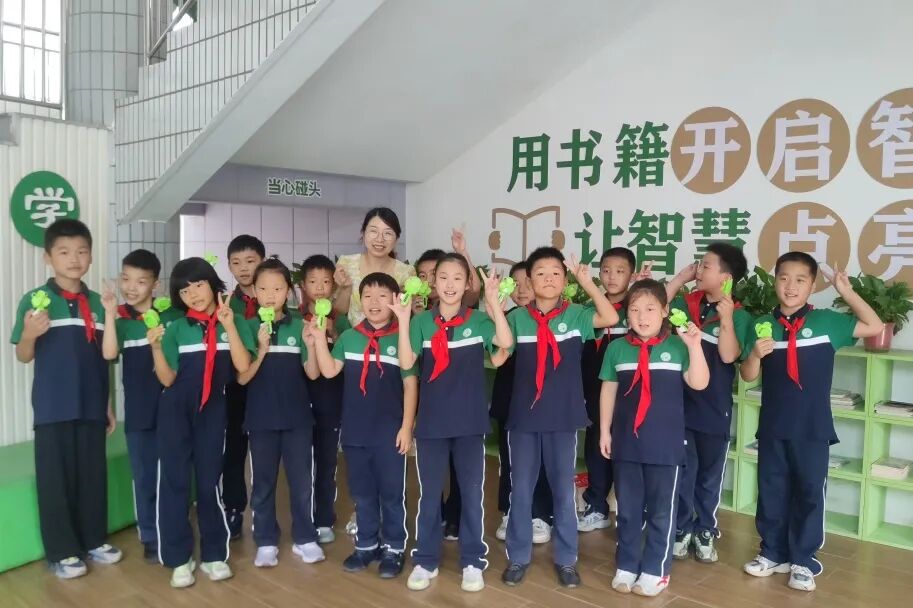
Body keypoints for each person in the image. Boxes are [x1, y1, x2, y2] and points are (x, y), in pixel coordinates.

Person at [740, 253, 883, 592]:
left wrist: (846, 292)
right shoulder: (762, 325)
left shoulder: (827, 322)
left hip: (812, 428)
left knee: (809, 493)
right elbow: (747, 375)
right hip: (773, 426)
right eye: (783, 278)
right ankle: (772, 552)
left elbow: (875, 326)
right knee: (771, 491)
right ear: (775, 281)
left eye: (800, 280)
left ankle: (804, 560)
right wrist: (755, 354)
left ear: (812, 286)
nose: (790, 286)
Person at [391, 254, 512, 593]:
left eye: (457, 278)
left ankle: (472, 560)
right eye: (442, 277)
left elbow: (505, 344)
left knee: (472, 494)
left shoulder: (479, 321)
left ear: (467, 283)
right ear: (433, 283)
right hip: (431, 424)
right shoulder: (421, 322)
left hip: (470, 423)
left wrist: (493, 303)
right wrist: (403, 320)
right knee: (429, 495)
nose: (449, 284)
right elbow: (406, 361)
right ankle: (426, 559)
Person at [501, 247, 619, 588]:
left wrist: (588, 283)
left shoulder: (577, 315)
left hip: (563, 418)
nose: (548, 279)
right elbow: (499, 351)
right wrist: (495, 301)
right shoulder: (517, 318)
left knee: (563, 493)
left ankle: (567, 560)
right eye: (540, 273)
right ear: (529, 280)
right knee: (521, 491)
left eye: (555, 273)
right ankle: (518, 556)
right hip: (523, 419)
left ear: (565, 280)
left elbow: (610, 318)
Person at [11, 219, 121, 579]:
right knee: (54, 481)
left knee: (92, 477)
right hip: (52, 407)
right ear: (48, 258)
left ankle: (93, 540)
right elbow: (23, 355)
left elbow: (104, 359)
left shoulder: (99, 303)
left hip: (90, 405)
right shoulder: (35, 302)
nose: (74, 259)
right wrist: (30, 333)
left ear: (90, 256)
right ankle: (62, 552)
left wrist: (107, 404)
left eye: (81, 251)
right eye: (64, 252)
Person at [148, 258, 257, 588]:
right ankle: (179, 559)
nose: (193, 294)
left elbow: (242, 368)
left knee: (211, 481)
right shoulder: (176, 329)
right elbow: (167, 379)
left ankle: (213, 554)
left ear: (212, 284)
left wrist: (229, 325)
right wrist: (156, 347)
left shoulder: (234, 321)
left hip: (214, 410)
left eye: (198, 285)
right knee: (175, 482)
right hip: (175, 411)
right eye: (184, 290)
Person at [600, 279, 710, 597]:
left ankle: (656, 570)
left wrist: (694, 346)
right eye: (635, 310)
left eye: (650, 309)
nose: (642, 317)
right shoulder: (616, 348)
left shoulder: (678, 346)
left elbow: (700, 383)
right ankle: (626, 564)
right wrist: (605, 430)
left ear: (665, 311)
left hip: (665, 445)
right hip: (626, 443)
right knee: (628, 509)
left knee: (662, 511)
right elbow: (608, 390)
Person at [310, 273, 418, 580]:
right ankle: (367, 544)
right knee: (362, 492)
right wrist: (318, 340)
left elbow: (410, 385)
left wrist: (406, 427)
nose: (374, 302)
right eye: (367, 296)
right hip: (356, 430)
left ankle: (394, 547)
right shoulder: (349, 337)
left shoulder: (403, 338)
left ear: (395, 300)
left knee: (392, 493)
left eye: (382, 296)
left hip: (390, 432)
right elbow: (329, 371)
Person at [663, 244, 751, 563]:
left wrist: (726, 318)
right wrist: (680, 279)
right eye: (699, 265)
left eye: (706, 266)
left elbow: (729, 356)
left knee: (709, 476)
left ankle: (705, 530)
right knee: (683, 472)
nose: (699, 270)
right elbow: (654, 308)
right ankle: (682, 528)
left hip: (714, 409)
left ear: (726, 278)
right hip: (680, 406)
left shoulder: (739, 316)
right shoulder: (687, 305)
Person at [237, 258, 325, 568]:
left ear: (288, 291)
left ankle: (305, 537)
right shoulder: (247, 327)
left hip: (298, 418)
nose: (270, 295)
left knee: (301, 483)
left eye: (277, 288)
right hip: (261, 420)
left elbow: (313, 374)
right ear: (254, 291)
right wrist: (261, 349)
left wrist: (311, 345)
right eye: (262, 289)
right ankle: (265, 540)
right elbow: (242, 377)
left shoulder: (299, 325)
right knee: (262, 484)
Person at [114, 249, 182, 563]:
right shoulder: (120, 322)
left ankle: (172, 528)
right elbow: (106, 359)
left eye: (141, 281)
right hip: (139, 412)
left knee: (172, 473)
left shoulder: (172, 318)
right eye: (126, 279)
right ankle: (150, 535)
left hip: (171, 410)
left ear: (155, 285)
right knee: (143, 476)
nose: (131, 287)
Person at [578, 248, 645, 532]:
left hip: (632, 393)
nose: (612, 276)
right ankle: (596, 506)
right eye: (606, 270)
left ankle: (632, 511)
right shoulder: (590, 309)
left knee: (629, 449)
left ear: (631, 274)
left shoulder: (638, 309)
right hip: (597, 391)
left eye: (620, 271)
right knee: (597, 447)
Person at [491, 261, 554, 544]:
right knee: (510, 461)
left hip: (544, 403)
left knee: (543, 463)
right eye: (515, 283)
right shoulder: (504, 318)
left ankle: (541, 514)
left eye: (528, 282)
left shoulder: (555, 319)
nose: (523, 289)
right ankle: (510, 512)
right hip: (511, 403)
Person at [298, 254, 351, 543]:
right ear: (303, 286)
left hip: (331, 401)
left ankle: (323, 518)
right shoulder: (294, 320)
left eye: (326, 282)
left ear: (333, 286)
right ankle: (303, 518)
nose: (319, 288)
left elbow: (346, 361)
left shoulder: (340, 322)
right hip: (298, 402)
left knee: (327, 460)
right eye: (313, 282)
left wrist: (332, 334)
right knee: (301, 463)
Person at [223, 234, 266, 539]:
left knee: (266, 454)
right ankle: (234, 508)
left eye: (250, 261)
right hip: (236, 386)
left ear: (262, 261)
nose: (243, 268)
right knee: (235, 450)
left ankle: (265, 514)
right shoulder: (226, 304)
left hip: (268, 384)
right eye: (236, 263)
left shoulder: (275, 297)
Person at [333, 208, 416, 326]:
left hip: (391, 336)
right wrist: (346, 288)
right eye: (373, 231)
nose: (380, 239)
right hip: (352, 335)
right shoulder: (346, 264)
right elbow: (339, 312)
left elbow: (406, 315)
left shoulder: (406, 273)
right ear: (363, 233)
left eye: (387, 233)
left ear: (396, 239)